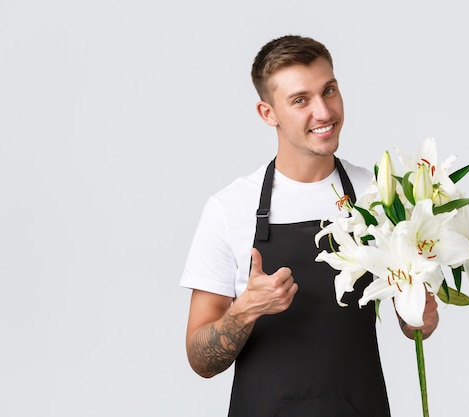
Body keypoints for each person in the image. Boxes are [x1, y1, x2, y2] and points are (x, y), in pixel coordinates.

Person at [180, 34, 439, 417]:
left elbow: (412, 322)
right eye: (300, 100)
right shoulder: (229, 209)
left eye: (329, 91)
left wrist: (421, 317)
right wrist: (244, 311)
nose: (323, 111)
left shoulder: (377, 194)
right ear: (268, 113)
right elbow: (201, 361)